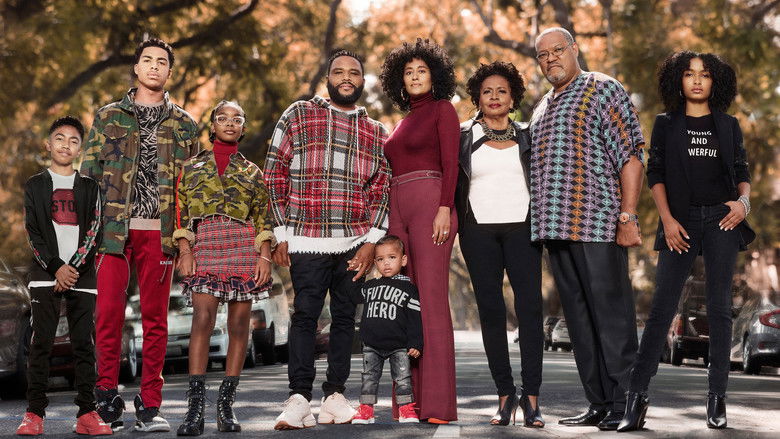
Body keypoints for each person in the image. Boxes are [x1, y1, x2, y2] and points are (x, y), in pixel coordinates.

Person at [618, 52, 753, 432]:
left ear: (716, 82)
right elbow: (656, 172)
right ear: (678, 80)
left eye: (705, 75)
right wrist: (668, 220)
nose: (697, 81)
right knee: (661, 310)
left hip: (723, 220)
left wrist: (743, 204)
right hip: (681, 221)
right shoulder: (665, 124)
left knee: (720, 308)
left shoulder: (729, 126)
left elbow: (742, 173)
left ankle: (717, 399)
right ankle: (637, 398)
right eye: (690, 74)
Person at [265, 48, 390, 430]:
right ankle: (299, 399)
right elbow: (274, 173)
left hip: (354, 240)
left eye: (354, 72)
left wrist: (372, 241)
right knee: (305, 316)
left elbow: (381, 189)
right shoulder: (299, 114)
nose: (347, 77)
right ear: (328, 77)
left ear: (362, 81)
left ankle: (335, 397)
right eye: (339, 71)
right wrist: (281, 231)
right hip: (305, 237)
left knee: (344, 320)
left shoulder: (376, 131)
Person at [81, 38, 199, 432]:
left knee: (155, 320)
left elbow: (192, 191)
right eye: (147, 60)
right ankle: (106, 397)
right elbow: (88, 178)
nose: (154, 67)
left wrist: (186, 243)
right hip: (112, 233)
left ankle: (150, 403)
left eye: (161, 62)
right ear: (136, 68)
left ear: (169, 71)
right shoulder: (108, 116)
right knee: (108, 315)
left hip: (160, 236)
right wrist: (86, 237)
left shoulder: (184, 124)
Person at [529, 27, 645, 431]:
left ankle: (628, 402)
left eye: (557, 50)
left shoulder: (602, 88)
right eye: (542, 55)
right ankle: (598, 402)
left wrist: (627, 217)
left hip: (597, 224)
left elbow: (631, 156)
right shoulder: (541, 106)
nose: (550, 59)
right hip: (554, 230)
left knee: (612, 318)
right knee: (578, 322)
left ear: (575, 50)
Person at [173, 101, 275, 436]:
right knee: (202, 319)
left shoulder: (253, 172)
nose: (229, 123)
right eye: (222, 118)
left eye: (237, 119)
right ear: (212, 125)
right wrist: (185, 249)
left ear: (243, 128)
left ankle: (225, 407)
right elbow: (181, 213)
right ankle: (194, 410)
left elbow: (263, 217)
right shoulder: (191, 168)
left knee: (239, 324)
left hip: (243, 246)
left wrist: (264, 256)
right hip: (207, 242)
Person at [456, 61, 544, 427]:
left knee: (531, 312)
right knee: (491, 313)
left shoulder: (528, 135)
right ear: (478, 96)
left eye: (502, 91)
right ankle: (505, 397)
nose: (494, 97)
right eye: (487, 91)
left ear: (513, 99)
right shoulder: (462, 135)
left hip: (522, 229)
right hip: (477, 231)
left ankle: (533, 400)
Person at [379, 38, 460, 424]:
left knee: (430, 302)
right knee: (401, 303)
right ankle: (407, 403)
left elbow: (451, 164)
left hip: (431, 205)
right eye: (408, 72)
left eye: (421, 70)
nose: (414, 76)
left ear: (435, 75)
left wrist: (445, 208)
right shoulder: (401, 122)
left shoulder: (443, 110)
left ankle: (438, 405)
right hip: (399, 209)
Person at [17, 117, 112, 436]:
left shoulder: (89, 187)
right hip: (45, 275)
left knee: (84, 343)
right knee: (41, 343)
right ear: (48, 144)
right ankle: (34, 414)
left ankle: (87, 413)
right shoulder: (35, 185)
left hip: (81, 275)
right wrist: (56, 267)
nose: (65, 145)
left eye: (73, 140)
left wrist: (72, 269)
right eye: (59, 138)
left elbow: (95, 230)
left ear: (80, 149)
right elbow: (33, 232)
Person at [352, 235, 423, 425]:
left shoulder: (409, 289)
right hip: (371, 344)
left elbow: (415, 319)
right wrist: (359, 271)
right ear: (375, 262)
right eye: (381, 259)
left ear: (403, 260)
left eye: (392, 257)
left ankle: (406, 410)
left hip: (398, 345)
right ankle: (366, 410)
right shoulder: (369, 286)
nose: (386, 263)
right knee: (369, 378)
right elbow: (353, 295)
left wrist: (416, 342)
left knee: (403, 379)